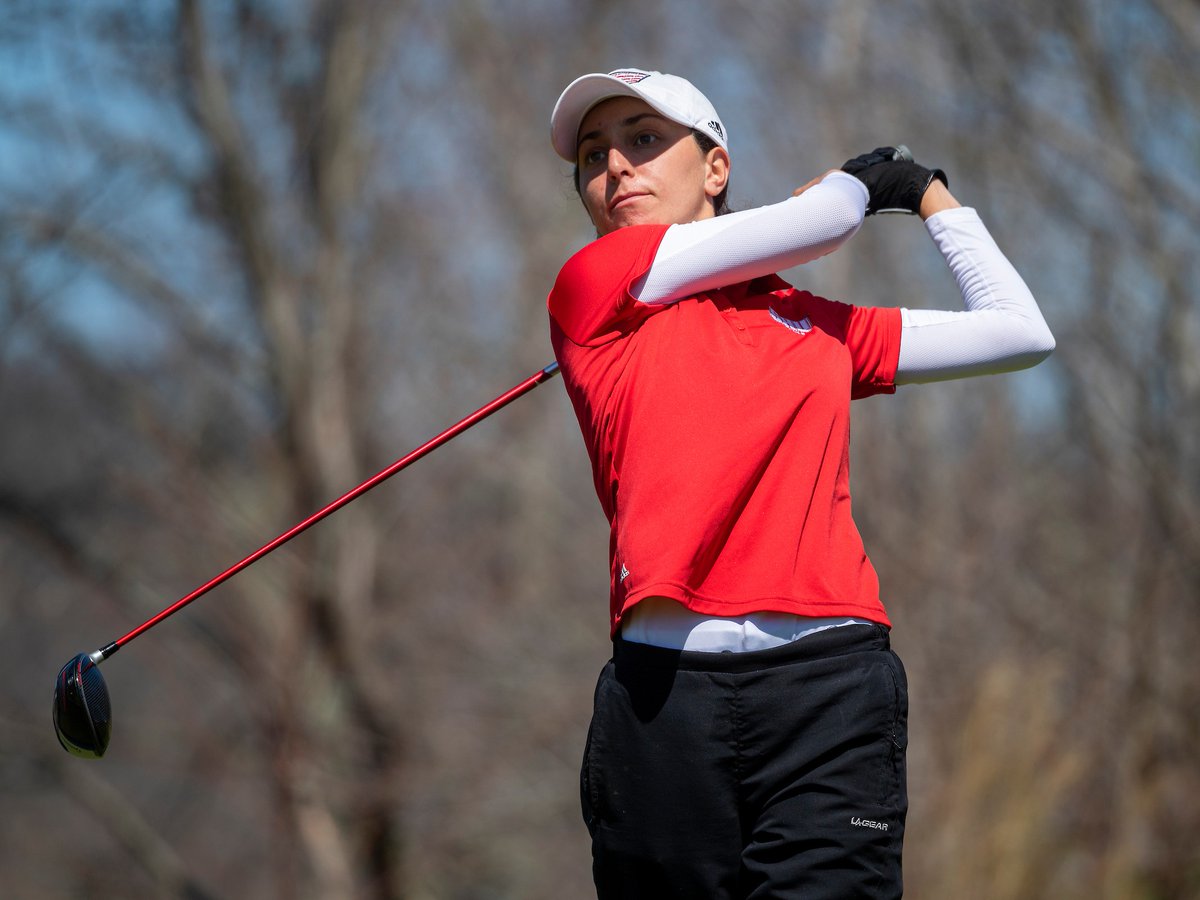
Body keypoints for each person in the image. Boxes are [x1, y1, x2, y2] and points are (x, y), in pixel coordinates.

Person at [545, 68, 1054, 900]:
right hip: (663, 702)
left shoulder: (812, 326)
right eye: (594, 157)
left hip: (830, 691)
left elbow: (1019, 332)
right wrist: (866, 181)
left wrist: (933, 200)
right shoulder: (594, 285)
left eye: (643, 140)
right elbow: (823, 219)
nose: (616, 168)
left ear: (716, 170)